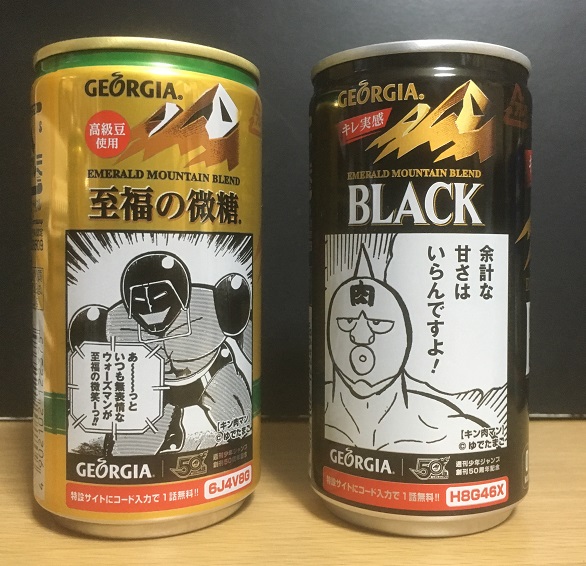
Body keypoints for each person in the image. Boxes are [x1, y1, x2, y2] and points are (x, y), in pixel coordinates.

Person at [68, 251, 252, 456]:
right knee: (126, 454)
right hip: (154, 389)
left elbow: (244, 327)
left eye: (159, 297)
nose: (149, 306)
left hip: (213, 373)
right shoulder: (113, 322)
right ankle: (168, 433)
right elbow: (82, 353)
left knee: (241, 433)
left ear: (181, 294)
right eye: (140, 299)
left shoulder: (213, 304)